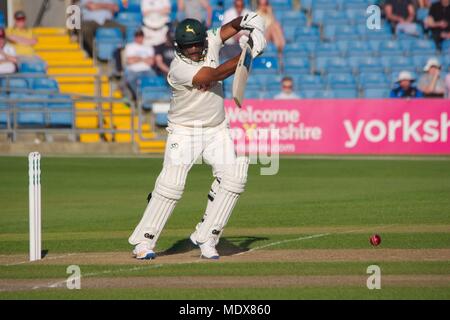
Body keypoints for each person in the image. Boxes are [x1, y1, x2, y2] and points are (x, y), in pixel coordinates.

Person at [128, 14, 266, 260]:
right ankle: (143, 241)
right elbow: (214, 76)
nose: (193, 50)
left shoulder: (210, 41)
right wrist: (250, 52)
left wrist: (247, 20)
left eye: (196, 44)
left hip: (216, 129)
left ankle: (207, 238)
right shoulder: (178, 68)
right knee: (172, 184)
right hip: (184, 130)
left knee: (234, 177)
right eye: (187, 46)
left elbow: (230, 28)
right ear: (178, 47)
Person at [123, 29, 156, 99]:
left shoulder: (149, 47)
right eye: (137, 36)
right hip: (133, 70)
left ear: (143, 37)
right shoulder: (130, 46)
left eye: (140, 36)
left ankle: (150, 99)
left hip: (147, 70)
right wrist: (144, 59)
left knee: (156, 80)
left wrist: (137, 58)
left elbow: (151, 62)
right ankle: (139, 98)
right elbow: (130, 61)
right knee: (130, 79)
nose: (139, 38)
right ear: (135, 37)